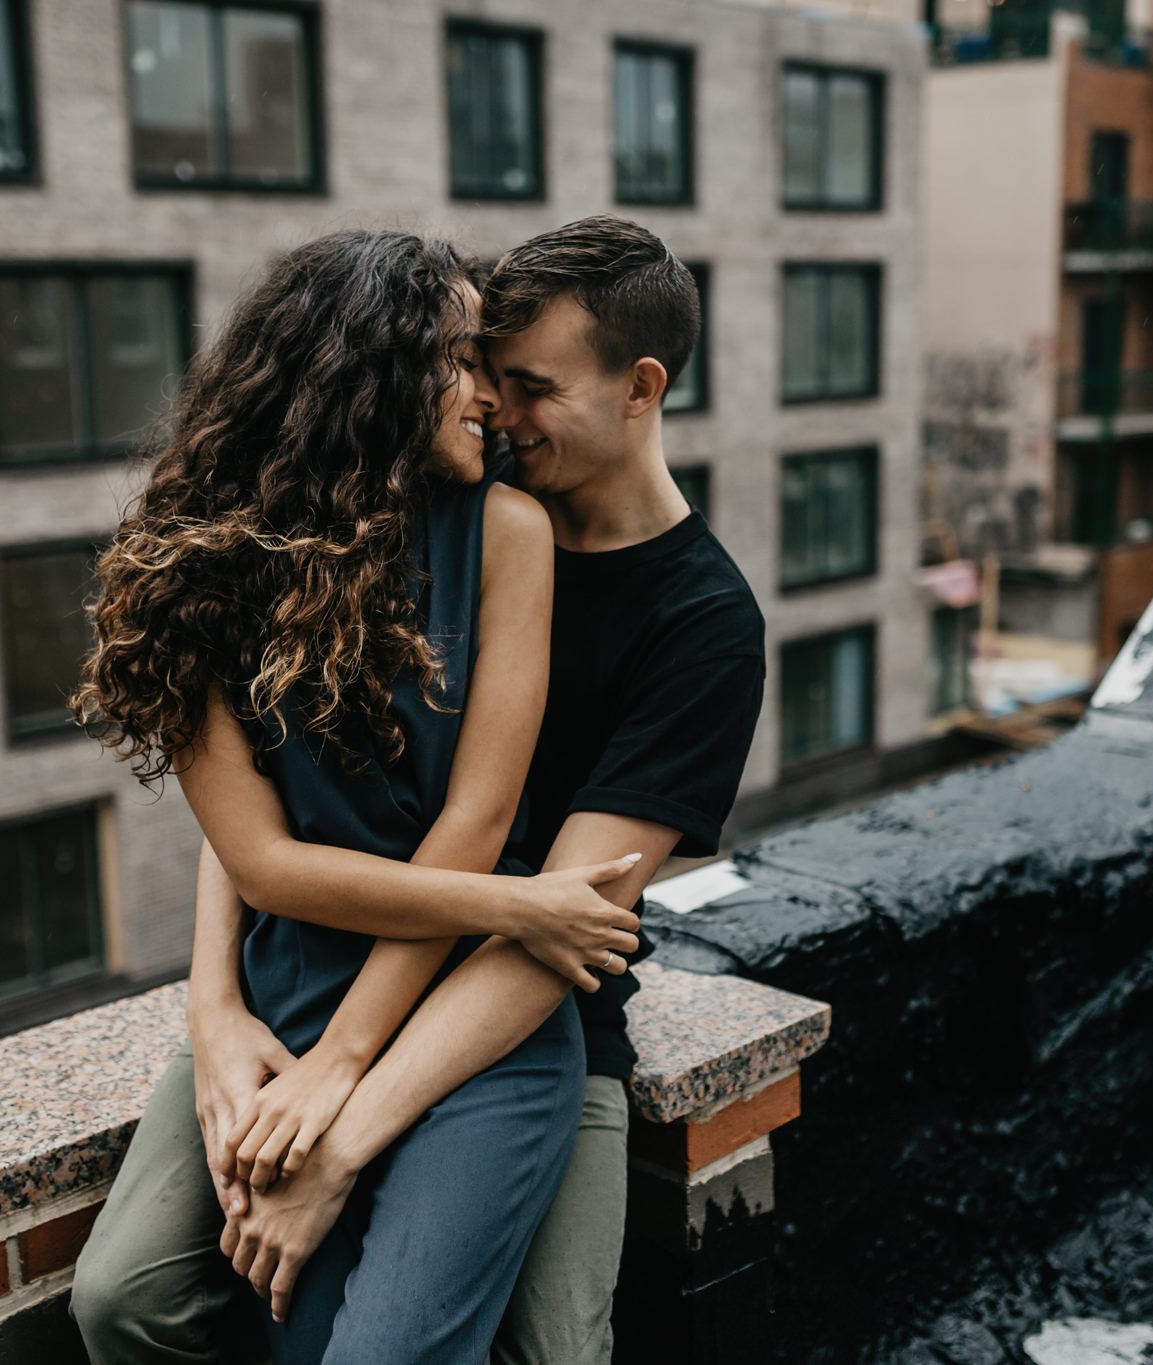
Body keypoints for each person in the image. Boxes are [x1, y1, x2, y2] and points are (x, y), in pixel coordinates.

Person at [75, 214, 765, 1364]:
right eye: (479, 369)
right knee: (131, 1298)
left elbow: (561, 921)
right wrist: (213, 1007)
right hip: (330, 964)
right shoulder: (399, 514)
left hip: (517, 998)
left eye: (530, 386)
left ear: (640, 388)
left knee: (550, 1351)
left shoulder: (693, 625)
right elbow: (274, 811)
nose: (495, 407)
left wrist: (341, 1126)